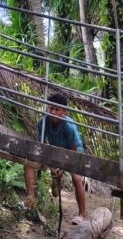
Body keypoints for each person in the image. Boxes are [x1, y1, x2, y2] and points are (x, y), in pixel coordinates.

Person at [22, 93, 88, 225]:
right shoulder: (43, 122)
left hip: (72, 152)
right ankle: (30, 199)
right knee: (29, 164)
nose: (52, 112)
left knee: (76, 178)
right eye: (51, 108)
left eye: (57, 109)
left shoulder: (69, 127)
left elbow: (73, 150)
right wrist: (51, 164)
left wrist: (62, 168)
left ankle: (82, 213)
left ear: (63, 111)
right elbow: (41, 145)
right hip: (52, 150)